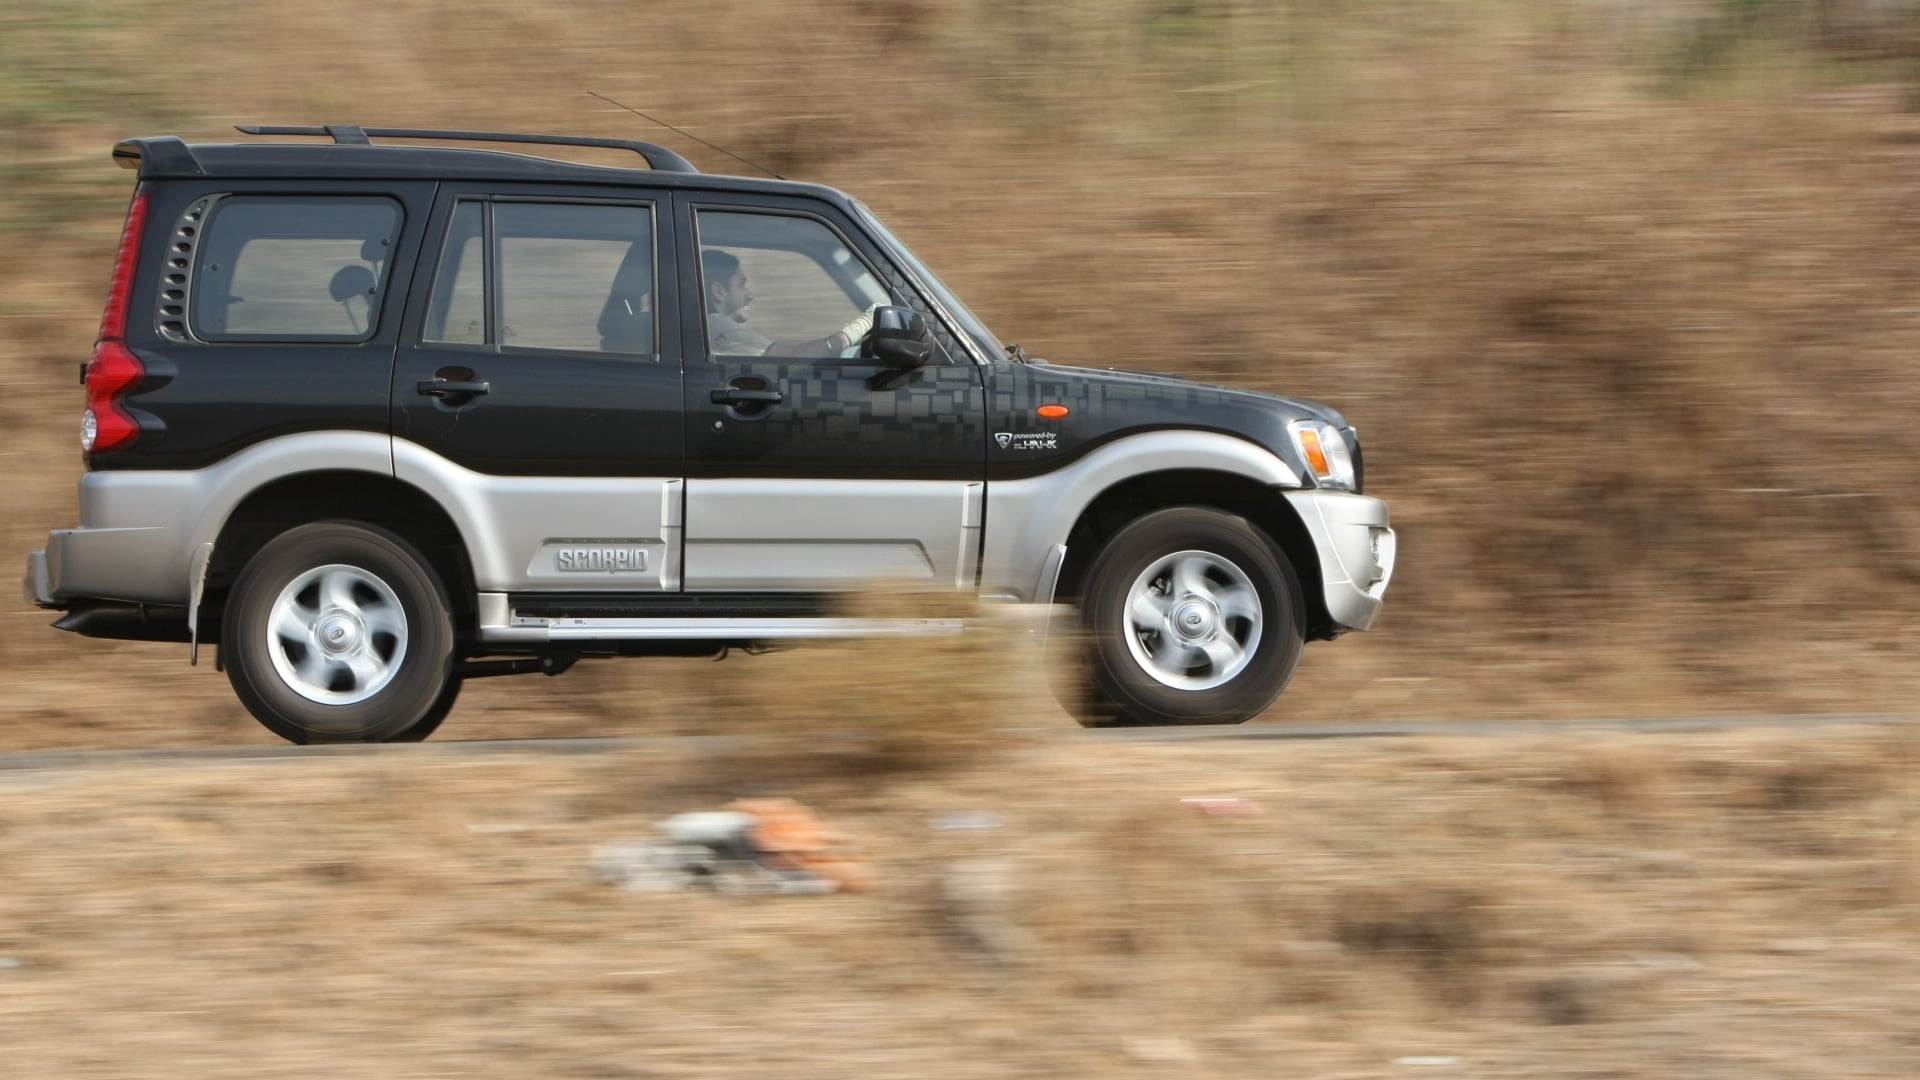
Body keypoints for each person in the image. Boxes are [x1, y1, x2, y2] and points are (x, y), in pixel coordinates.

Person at [703, 248, 875, 358]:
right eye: (741, 285)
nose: (750, 296)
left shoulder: (708, 328)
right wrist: (863, 324)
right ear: (719, 291)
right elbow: (794, 360)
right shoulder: (716, 326)